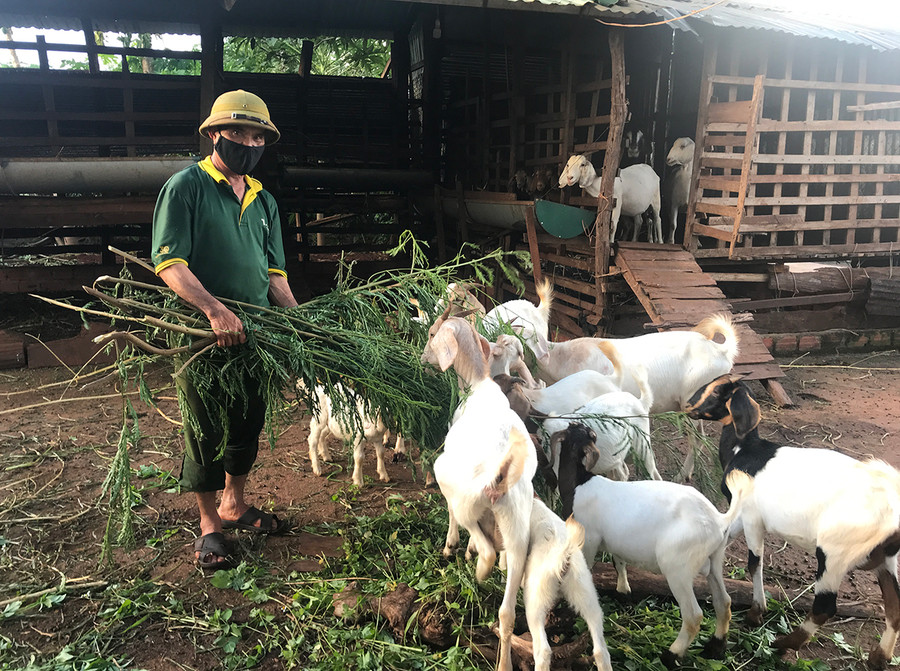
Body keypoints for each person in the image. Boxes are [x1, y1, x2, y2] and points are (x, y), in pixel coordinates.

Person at [151, 89, 299, 569]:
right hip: (200, 333)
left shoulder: (263, 200)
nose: (248, 143)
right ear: (214, 134)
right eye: (238, 132)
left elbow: (273, 271)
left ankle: (235, 502)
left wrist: (298, 319)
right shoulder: (185, 187)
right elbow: (169, 262)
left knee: (248, 419)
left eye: (257, 136)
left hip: (253, 335)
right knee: (204, 425)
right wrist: (214, 310)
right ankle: (209, 524)